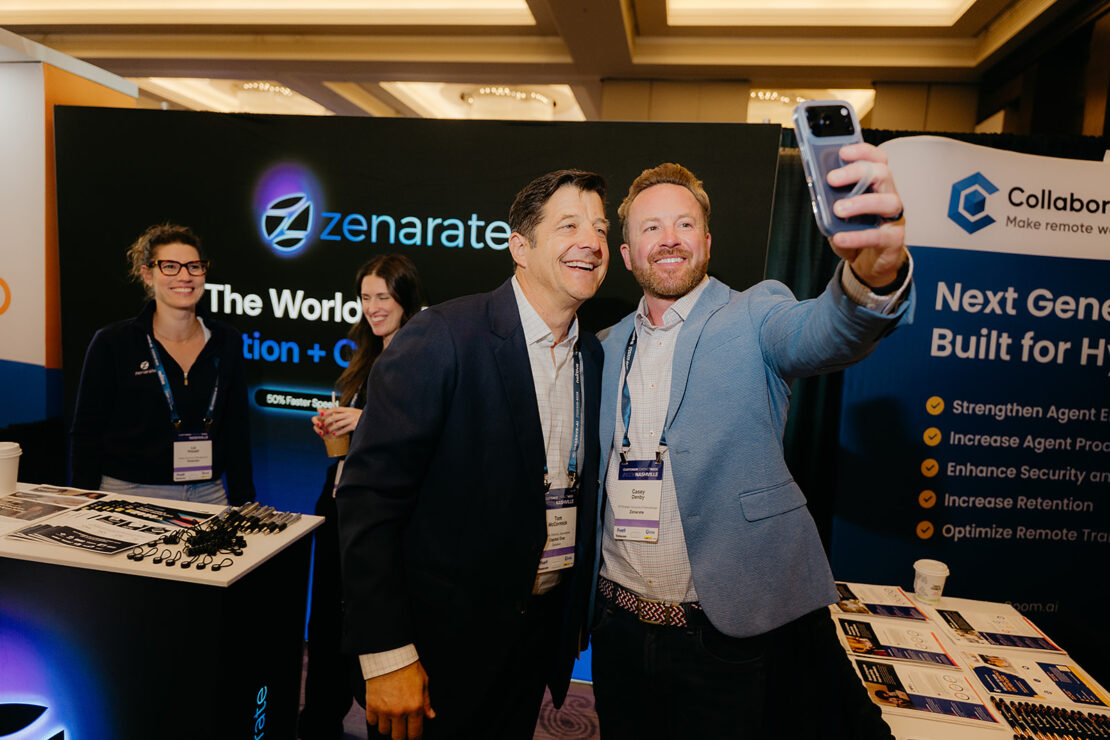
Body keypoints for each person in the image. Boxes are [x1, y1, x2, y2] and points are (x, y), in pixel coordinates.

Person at [590, 146, 914, 739]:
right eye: (651, 227)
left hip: (724, 633)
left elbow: (824, 332)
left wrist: (872, 273)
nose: (670, 239)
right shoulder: (605, 346)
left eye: (685, 225)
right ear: (627, 253)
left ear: (708, 243)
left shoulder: (755, 313)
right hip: (619, 630)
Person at [336, 169, 609, 739]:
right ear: (520, 247)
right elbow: (368, 501)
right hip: (436, 649)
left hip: (531, 636)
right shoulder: (444, 338)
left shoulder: (591, 354)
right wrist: (386, 652)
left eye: (601, 227)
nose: (592, 240)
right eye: (569, 225)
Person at [299, 254, 426, 740]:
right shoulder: (367, 356)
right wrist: (338, 427)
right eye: (366, 298)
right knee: (327, 621)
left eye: (384, 297)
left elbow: (421, 438)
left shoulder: (421, 355)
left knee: (372, 620)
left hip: (386, 519)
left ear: (406, 298)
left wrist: (364, 421)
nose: (373, 308)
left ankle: (382, 717)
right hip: (339, 505)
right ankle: (320, 719)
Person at [69, 223, 254, 505]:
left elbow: (236, 429)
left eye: (194, 266)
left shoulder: (227, 340)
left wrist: (244, 505)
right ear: (147, 274)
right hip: (128, 494)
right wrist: (81, 501)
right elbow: (86, 432)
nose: (185, 276)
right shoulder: (113, 342)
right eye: (170, 266)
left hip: (208, 493)